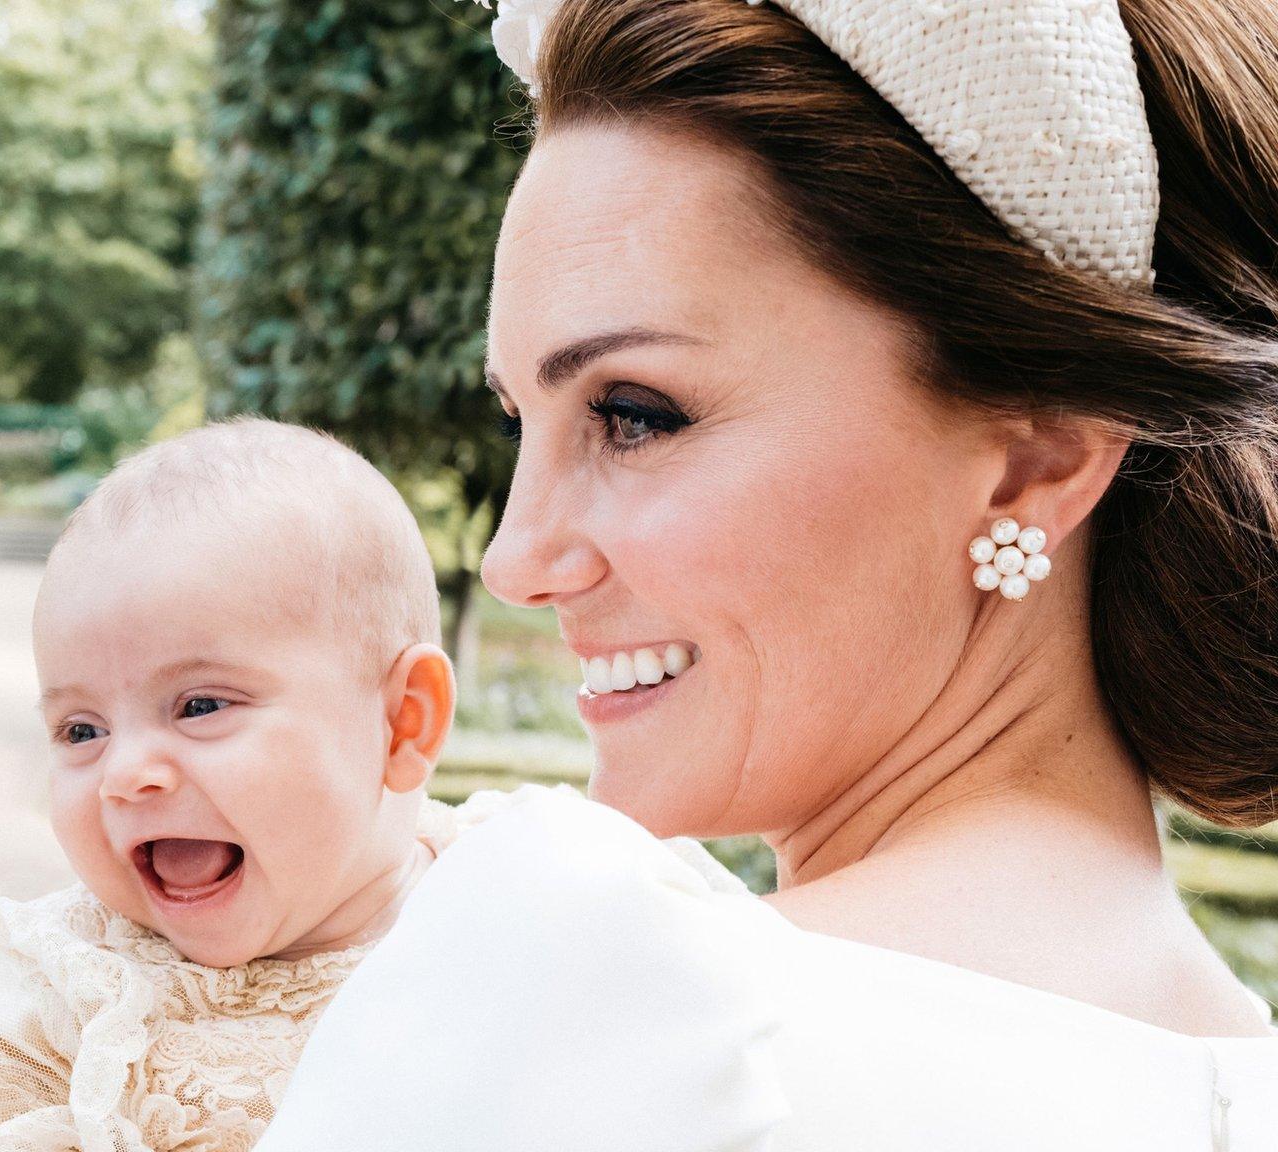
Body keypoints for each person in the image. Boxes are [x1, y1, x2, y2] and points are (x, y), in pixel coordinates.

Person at [257, 0, 1278, 1148]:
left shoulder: (592, 994)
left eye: (633, 416)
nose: (514, 559)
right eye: (517, 425)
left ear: (1033, 458)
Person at [0, 420, 593, 1152]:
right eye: (81, 730)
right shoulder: (40, 1017)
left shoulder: (541, 917)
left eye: (201, 706)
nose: (126, 773)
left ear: (404, 722)